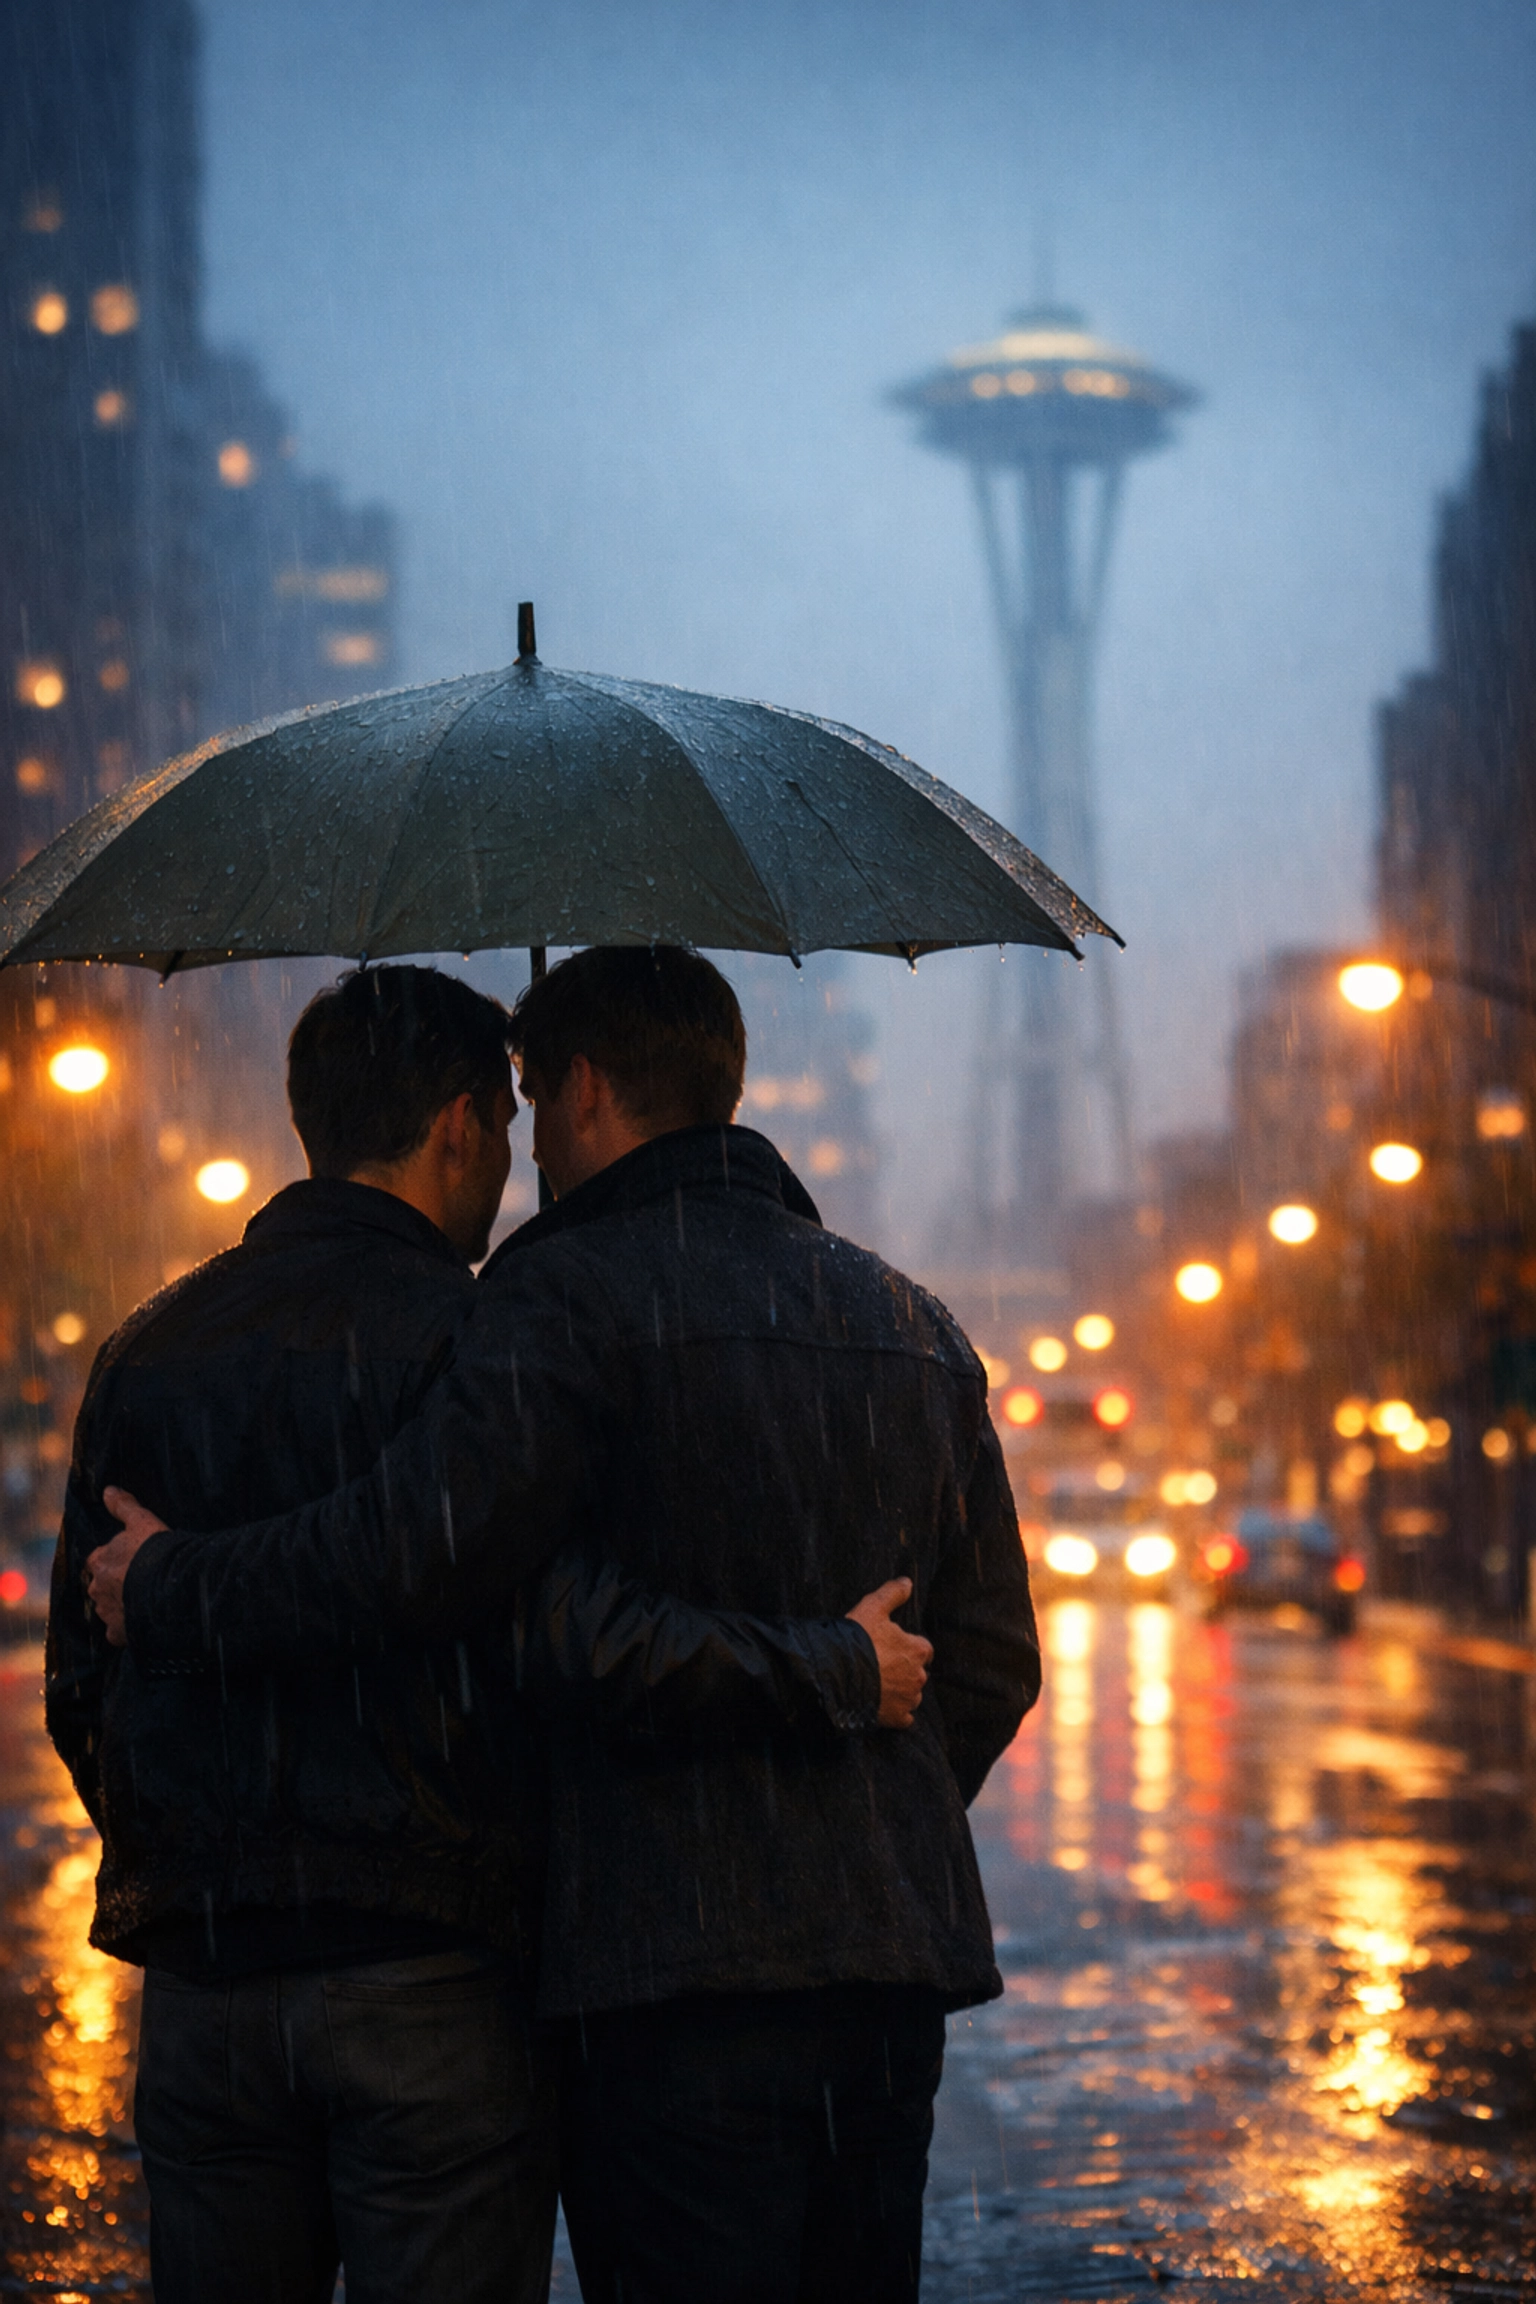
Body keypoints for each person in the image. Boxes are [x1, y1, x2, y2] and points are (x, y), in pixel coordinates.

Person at [90, 946, 1040, 2304]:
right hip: (883, 1971)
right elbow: (994, 1659)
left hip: (665, 1973)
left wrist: (175, 1586)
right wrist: (853, 1804)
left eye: (534, 1097)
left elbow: (467, 1586)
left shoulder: (559, 1299)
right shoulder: (914, 1321)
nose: (522, 1137)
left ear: (586, 1090)